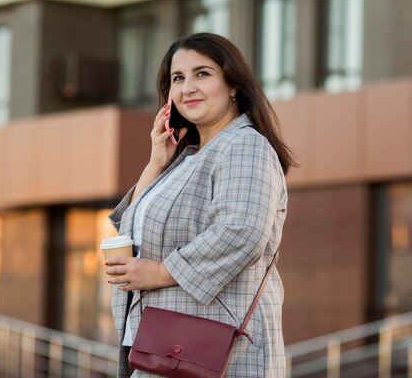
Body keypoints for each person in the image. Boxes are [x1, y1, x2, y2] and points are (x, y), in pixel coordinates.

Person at [106, 32, 296, 377]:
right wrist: (156, 164)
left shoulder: (243, 146)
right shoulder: (188, 157)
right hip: (162, 348)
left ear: (234, 85)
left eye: (202, 74)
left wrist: (160, 272)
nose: (187, 87)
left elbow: (241, 231)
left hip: (213, 352)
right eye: (178, 78)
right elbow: (131, 229)